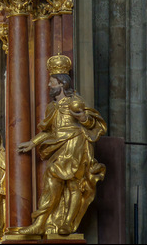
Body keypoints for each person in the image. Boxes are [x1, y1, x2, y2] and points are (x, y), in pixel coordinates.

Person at [15, 55, 106, 237]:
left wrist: (83, 118)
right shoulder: (51, 107)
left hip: (76, 144)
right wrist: (32, 143)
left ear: (62, 84)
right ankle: (40, 223)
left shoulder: (75, 102)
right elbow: (49, 132)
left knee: (74, 184)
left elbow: (97, 126)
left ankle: (67, 223)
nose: (49, 85)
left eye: (52, 82)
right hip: (59, 147)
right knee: (51, 182)